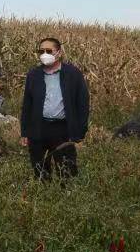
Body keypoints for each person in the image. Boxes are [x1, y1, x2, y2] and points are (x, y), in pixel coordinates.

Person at [20, 37, 90, 180]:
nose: (44, 54)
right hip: (39, 127)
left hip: (62, 128)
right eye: (41, 51)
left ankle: (67, 195)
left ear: (58, 52)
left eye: (48, 51)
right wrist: (25, 132)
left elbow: (82, 103)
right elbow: (27, 104)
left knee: (67, 168)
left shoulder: (73, 74)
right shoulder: (33, 75)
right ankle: (44, 195)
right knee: (39, 168)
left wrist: (80, 131)